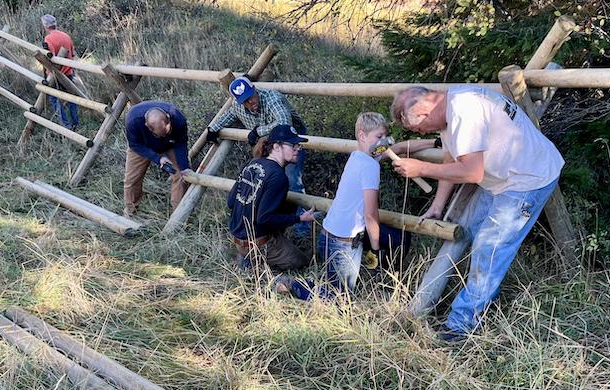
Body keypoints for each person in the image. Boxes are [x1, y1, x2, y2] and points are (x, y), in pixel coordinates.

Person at [389, 85, 564, 341]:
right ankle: (461, 307)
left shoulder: (465, 112)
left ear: (426, 109)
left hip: (526, 179)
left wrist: (422, 168)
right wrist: (438, 206)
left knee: (488, 248)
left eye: (418, 128)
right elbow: (452, 161)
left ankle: (462, 325)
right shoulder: (449, 109)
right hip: (501, 178)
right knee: (467, 233)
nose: (421, 133)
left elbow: (472, 172)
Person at [317, 112, 411, 292]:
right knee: (339, 300)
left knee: (337, 294)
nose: (383, 141)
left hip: (329, 235)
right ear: (362, 135)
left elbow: (398, 148)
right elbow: (370, 214)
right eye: (379, 136)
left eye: (385, 136)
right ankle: (293, 286)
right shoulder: (370, 166)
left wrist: (434, 143)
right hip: (342, 243)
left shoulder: (357, 156)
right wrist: (375, 249)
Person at [206, 77, 310, 233]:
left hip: (289, 141)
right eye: (245, 101)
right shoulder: (238, 105)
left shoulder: (272, 98)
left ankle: (301, 230)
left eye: (251, 97)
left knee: (292, 181)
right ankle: (264, 225)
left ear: (255, 89)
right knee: (260, 180)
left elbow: (284, 122)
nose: (250, 102)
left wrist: (258, 131)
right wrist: (212, 128)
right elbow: (230, 114)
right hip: (267, 143)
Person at [227, 124, 317, 291]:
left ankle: (247, 258)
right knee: (303, 263)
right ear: (276, 146)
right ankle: (259, 268)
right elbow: (264, 218)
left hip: (238, 239)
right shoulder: (278, 176)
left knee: (287, 204)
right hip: (257, 243)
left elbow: (231, 202)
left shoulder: (253, 164)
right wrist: (299, 218)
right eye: (293, 145)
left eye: (299, 145)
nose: (298, 149)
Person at [123, 101, 189, 217]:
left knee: (180, 176)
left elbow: (181, 144)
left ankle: (179, 216)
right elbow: (135, 145)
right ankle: (130, 212)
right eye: (160, 134)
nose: (165, 134)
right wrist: (157, 158)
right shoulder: (133, 121)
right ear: (148, 127)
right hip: (142, 146)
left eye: (167, 131)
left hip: (169, 145)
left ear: (168, 118)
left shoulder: (178, 118)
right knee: (131, 180)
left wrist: (184, 168)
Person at [40, 14, 80, 131]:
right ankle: (75, 123)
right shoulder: (66, 36)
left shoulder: (48, 39)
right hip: (68, 72)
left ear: (45, 26)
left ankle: (65, 125)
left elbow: (49, 58)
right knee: (72, 98)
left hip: (56, 75)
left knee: (55, 98)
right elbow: (72, 54)